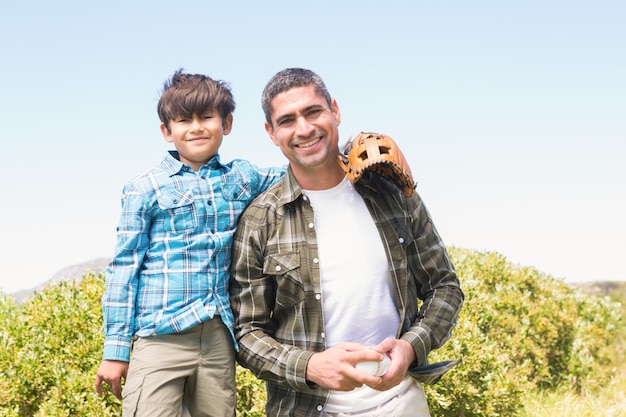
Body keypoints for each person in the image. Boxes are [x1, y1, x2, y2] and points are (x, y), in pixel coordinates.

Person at [229, 68, 464, 417]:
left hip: (401, 403)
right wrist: (310, 366)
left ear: (334, 111)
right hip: (305, 409)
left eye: (313, 112)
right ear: (271, 132)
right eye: (287, 120)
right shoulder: (260, 220)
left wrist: (411, 347)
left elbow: (445, 287)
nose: (304, 129)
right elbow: (246, 333)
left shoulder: (394, 191)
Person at [94, 69, 284, 417]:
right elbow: (124, 269)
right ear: (167, 131)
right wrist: (115, 350)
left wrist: (347, 152)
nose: (196, 127)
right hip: (160, 336)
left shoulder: (242, 177)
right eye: (183, 120)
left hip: (217, 338)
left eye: (206, 117)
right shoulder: (145, 187)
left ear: (226, 123)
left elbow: (298, 171)